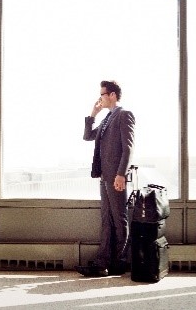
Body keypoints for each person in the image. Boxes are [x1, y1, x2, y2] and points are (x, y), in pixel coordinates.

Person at [77, 80, 135, 277]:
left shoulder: (124, 115)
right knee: (106, 220)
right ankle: (102, 263)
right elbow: (87, 136)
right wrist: (93, 114)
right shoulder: (107, 118)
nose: (100, 97)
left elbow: (128, 148)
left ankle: (118, 261)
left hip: (115, 176)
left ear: (112, 95)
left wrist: (121, 174)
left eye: (102, 94)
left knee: (119, 218)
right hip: (104, 175)